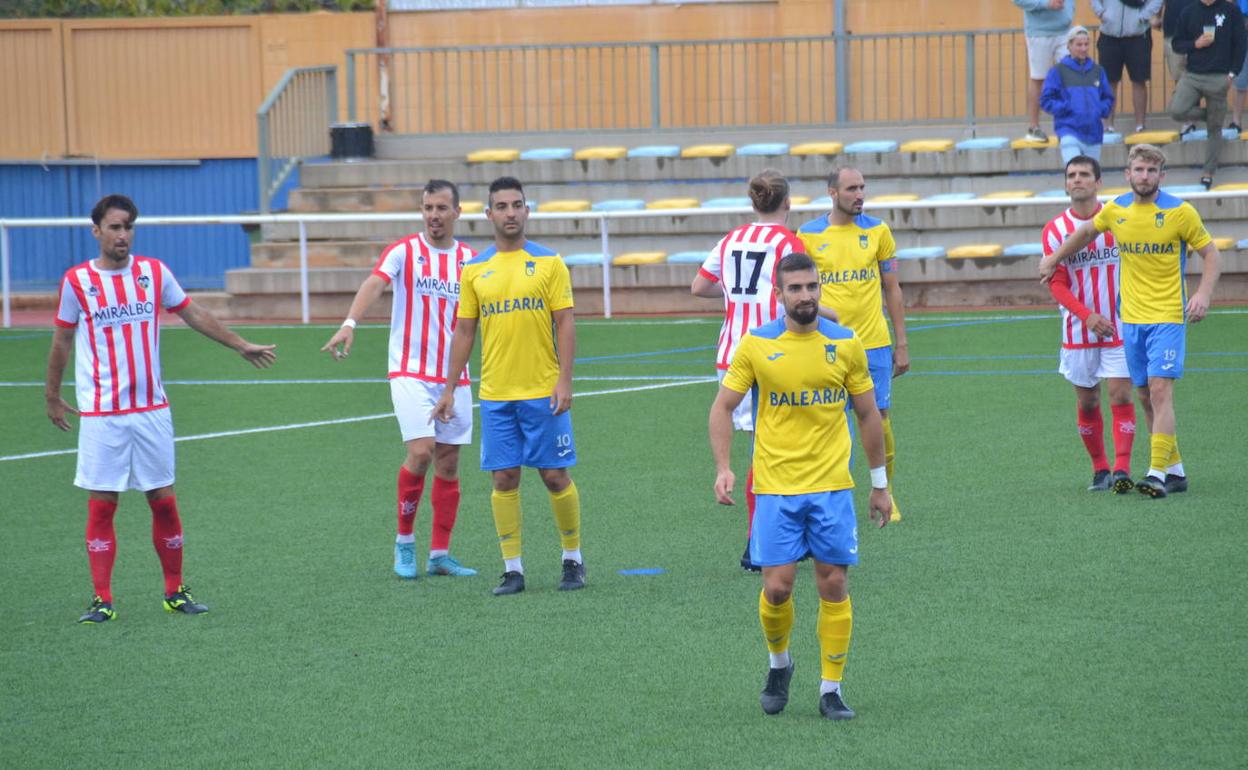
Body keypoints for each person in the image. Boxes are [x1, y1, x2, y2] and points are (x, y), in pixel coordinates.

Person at [45, 194, 277, 624]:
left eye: (129, 227)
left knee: (164, 502)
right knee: (102, 504)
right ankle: (102, 599)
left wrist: (240, 345)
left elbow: (193, 313)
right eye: (115, 227)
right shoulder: (77, 282)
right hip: (102, 412)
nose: (123, 235)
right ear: (96, 231)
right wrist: (52, 394)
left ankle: (174, 591)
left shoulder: (153, 273)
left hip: (151, 408)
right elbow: (61, 340)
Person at [709, 252, 891, 721]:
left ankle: (831, 688)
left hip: (831, 486)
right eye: (795, 288)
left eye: (811, 286)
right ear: (779, 294)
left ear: (819, 288)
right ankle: (779, 664)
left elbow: (869, 415)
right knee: (777, 589)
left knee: (833, 583)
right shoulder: (756, 345)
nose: (805, 295)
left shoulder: (846, 343)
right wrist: (724, 466)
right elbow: (722, 406)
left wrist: (879, 484)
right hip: (775, 486)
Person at [1039, 144, 1222, 498]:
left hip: (1167, 315)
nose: (1144, 176)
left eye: (1151, 171)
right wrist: (1053, 259)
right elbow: (1087, 233)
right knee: (1143, 396)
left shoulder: (1180, 212)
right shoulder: (1116, 211)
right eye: (1139, 170)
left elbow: (1211, 253)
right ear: (1128, 174)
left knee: (1158, 389)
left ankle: (1154, 472)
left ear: (1161, 176)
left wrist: (1202, 295)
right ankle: (1175, 469)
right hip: (1130, 320)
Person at [432, 176, 584, 595]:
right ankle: (512, 568)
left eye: (517, 204)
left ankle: (573, 558)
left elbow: (565, 322)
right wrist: (448, 389)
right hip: (497, 395)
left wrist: (564, 380)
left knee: (554, 476)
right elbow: (464, 331)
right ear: (489, 215)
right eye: (502, 206)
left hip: (542, 391)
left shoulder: (550, 263)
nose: (511, 213)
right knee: (504, 479)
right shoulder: (475, 269)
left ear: (527, 210)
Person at [321, 179, 478, 580]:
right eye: (427, 208)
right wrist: (350, 322)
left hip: (453, 377)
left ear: (457, 213)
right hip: (408, 369)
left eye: (442, 208)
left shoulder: (471, 261)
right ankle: (405, 543)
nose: (434, 216)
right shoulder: (405, 251)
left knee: (449, 461)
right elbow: (375, 282)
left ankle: (439, 554)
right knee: (422, 452)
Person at [691, 169, 806, 572]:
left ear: (754, 202)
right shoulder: (789, 243)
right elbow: (799, 295)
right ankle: (760, 541)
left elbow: (699, 286)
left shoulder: (732, 238)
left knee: (766, 445)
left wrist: (736, 295)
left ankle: (766, 537)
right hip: (772, 353)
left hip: (730, 353)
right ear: (787, 202)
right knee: (777, 447)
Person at [798, 168, 909, 522]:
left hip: (873, 342)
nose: (859, 194)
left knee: (880, 418)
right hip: (827, 344)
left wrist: (901, 342)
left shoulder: (878, 230)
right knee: (827, 422)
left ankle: (886, 492)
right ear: (832, 192)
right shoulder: (809, 235)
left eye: (862, 187)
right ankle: (830, 497)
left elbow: (892, 288)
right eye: (851, 188)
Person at [1042, 156, 1146, 493]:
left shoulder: (1118, 219)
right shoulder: (1054, 230)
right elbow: (1056, 283)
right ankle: (1099, 469)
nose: (1077, 180)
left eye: (1084, 174)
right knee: (1088, 402)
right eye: (1071, 175)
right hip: (1079, 329)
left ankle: (1121, 469)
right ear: (1065, 183)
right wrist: (1087, 315)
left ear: (1098, 182)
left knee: (1120, 394)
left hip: (1119, 325)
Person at [1170, 0, 1247, 188]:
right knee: (1176, 110)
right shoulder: (1189, 11)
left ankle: (1208, 173)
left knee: (1215, 130)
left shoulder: (1231, 10)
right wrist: (1195, 44)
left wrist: (1232, 74)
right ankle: (1213, 116)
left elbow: (1241, 43)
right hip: (1193, 75)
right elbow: (1176, 44)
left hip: (1219, 76)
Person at [1042, 26, 1117, 162]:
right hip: (1068, 130)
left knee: (1090, 178)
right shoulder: (1057, 71)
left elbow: (1108, 98)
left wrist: (1099, 109)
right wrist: (1066, 107)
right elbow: (1046, 100)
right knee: (1075, 172)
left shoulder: (1098, 71)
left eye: (1086, 44)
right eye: (1079, 45)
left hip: (1094, 133)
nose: (1083, 48)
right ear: (1069, 46)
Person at [1093, 0, 1164, 133]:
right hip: (1109, 35)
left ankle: (1140, 125)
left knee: (1139, 80)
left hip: (1138, 35)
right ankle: (1107, 126)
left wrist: (1144, 16)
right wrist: (1101, 13)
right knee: (1109, 82)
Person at [1015, 0, 1075, 142]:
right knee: (1038, 79)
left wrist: (1070, 10)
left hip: (1065, 31)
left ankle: (1069, 125)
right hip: (1039, 32)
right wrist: (1046, 4)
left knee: (1071, 77)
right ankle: (1034, 127)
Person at [1160, 0, 1199, 82]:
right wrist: (1155, 15)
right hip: (1173, 31)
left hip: (1200, 31)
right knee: (1179, 78)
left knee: (1205, 77)